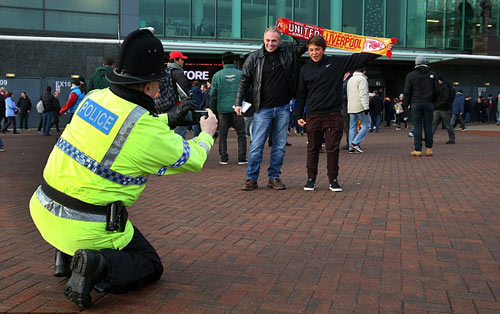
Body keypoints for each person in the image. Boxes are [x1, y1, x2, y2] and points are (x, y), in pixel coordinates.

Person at [29, 28, 217, 310]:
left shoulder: (95, 97)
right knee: (150, 265)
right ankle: (96, 264)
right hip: (85, 225)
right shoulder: (145, 129)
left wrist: (166, 119)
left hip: (43, 208)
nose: (158, 89)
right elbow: (192, 159)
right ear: (147, 87)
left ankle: (65, 257)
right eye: (157, 83)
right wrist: (206, 133)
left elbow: (121, 129)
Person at [295, 35, 392, 191]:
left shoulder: (335, 62)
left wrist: (382, 48)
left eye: (317, 50)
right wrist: (298, 115)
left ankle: (333, 180)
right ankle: (310, 179)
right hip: (313, 115)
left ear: (323, 49)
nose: (314, 53)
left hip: (333, 114)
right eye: (311, 50)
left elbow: (359, 58)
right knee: (312, 148)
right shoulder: (305, 69)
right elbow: (300, 94)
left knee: (332, 149)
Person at [234, 26, 307, 191]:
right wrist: (238, 102)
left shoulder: (288, 52)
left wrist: (289, 29)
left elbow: (303, 44)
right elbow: (244, 81)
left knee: (279, 146)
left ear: (279, 41)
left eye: (274, 40)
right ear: (263, 39)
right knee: (257, 145)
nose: (270, 43)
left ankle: (274, 177)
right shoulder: (254, 57)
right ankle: (251, 178)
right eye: (267, 40)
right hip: (263, 109)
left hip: (282, 108)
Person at [210, 51, 247, 165]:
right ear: (234, 61)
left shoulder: (217, 76)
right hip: (238, 108)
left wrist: (213, 109)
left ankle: (224, 158)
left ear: (222, 62)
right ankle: (241, 157)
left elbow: (213, 94)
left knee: (223, 135)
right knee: (241, 134)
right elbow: (248, 89)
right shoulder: (240, 74)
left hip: (222, 109)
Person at [404, 55, 439, 156]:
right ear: (425, 62)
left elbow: (407, 91)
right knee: (428, 125)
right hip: (429, 103)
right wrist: (433, 101)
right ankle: (429, 149)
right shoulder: (432, 74)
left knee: (417, 125)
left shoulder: (411, 75)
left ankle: (418, 149)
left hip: (416, 103)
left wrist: (407, 104)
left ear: (416, 63)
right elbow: (437, 90)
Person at [347, 66, 371, 153]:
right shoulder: (362, 79)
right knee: (367, 125)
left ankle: (351, 148)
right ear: (363, 71)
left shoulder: (350, 79)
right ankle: (355, 143)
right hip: (360, 106)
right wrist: (366, 107)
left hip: (351, 107)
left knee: (352, 127)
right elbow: (363, 94)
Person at [167, 51, 191, 139]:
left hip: (165, 107)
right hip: (177, 107)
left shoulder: (165, 71)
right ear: (175, 60)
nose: (183, 61)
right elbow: (183, 93)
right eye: (181, 59)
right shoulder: (178, 73)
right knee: (179, 136)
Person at [432, 76, 456, 144]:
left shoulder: (445, 87)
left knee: (435, 124)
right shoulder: (445, 86)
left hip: (442, 108)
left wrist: (436, 105)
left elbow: (445, 98)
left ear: (440, 80)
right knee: (446, 124)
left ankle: (452, 139)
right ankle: (452, 139)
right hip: (442, 108)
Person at [341, 71, 352, 150]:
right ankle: (349, 143)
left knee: (348, 126)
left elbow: (348, 94)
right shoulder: (344, 80)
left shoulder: (349, 80)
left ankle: (351, 143)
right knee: (346, 126)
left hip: (347, 106)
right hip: (343, 106)